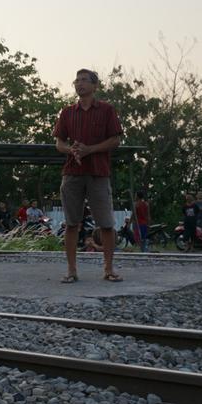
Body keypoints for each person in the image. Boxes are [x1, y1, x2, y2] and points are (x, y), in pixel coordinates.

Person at [54, 69, 123, 282]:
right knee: (72, 223)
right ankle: (71, 270)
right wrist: (71, 150)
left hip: (98, 172)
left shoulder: (106, 110)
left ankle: (108, 269)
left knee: (106, 224)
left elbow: (116, 139)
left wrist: (90, 150)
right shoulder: (67, 112)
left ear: (95, 86)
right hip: (72, 173)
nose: (79, 83)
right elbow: (59, 143)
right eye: (77, 80)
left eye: (84, 80)